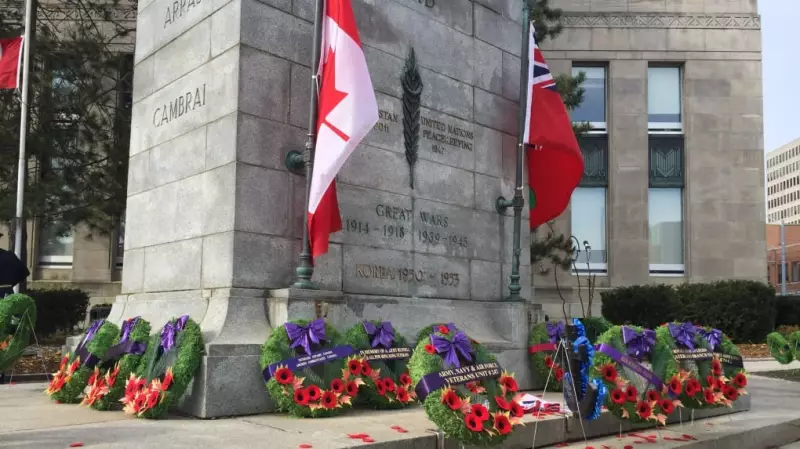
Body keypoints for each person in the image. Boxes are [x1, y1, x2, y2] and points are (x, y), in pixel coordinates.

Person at [0, 233, 30, 298]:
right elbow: (24, 272)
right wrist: (9, 284)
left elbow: (23, 271)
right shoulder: (9, 255)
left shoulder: (8, 255)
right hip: (7, 294)